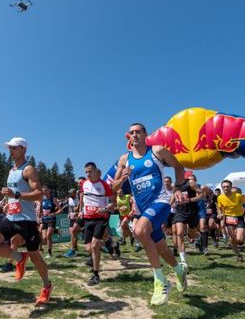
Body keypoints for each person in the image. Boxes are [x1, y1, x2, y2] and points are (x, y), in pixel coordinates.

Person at [112, 123, 188, 306]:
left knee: (139, 231)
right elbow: (114, 187)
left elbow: (179, 166)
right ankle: (179, 270)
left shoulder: (157, 151)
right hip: (142, 208)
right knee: (161, 247)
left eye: (138, 132)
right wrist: (123, 177)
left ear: (145, 134)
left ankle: (161, 282)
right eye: (131, 133)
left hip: (161, 201)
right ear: (128, 137)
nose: (135, 135)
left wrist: (178, 188)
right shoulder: (124, 159)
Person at [0, 137, 52, 306]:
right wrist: (8, 203)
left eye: (14, 148)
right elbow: (13, 194)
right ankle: (19, 258)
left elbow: (38, 194)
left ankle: (46, 286)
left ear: (23, 150)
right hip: (11, 217)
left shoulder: (28, 170)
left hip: (27, 220)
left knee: (35, 256)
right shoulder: (10, 171)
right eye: (10, 148)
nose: (11, 151)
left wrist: (16, 195)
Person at [78, 162, 115, 286]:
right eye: (86, 172)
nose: (88, 174)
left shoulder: (104, 185)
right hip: (87, 218)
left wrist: (105, 208)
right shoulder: (84, 184)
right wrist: (79, 211)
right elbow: (82, 197)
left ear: (95, 171)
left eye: (90, 171)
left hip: (101, 218)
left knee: (94, 246)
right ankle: (108, 242)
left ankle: (96, 274)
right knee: (88, 248)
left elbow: (112, 202)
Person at [171, 175, 202, 266]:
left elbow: (201, 194)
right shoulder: (175, 185)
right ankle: (183, 260)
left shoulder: (191, 183)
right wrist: (169, 204)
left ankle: (198, 236)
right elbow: (174, 194)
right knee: (179, 233)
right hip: (180, 211)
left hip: (192, 211)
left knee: (192, 234)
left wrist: (190, 200)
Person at [217, 180, 245, 262]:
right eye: (224, 187)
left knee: (239, 239)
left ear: (231, 187)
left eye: (227, 186)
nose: (226, 188)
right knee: (233, 238)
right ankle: (238, 255)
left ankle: (234, 245)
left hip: (239, 217)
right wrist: (220, 214)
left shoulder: (238, 196)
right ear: (222, 187)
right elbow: (220, 208)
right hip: (228, 218)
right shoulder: (220, 197)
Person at [39, 185, 59, 259]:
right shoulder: (42, 199)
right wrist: (39, 217)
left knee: (48, 236)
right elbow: (40, 209)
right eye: (43, 190)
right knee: (44, 238)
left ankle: (49, 253)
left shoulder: (53, 199)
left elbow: (60, 209)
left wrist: (55, 213)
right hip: (44, 220)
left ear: (49, 190)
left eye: (46, 190)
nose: (44, 192)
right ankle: (55, 230)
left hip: (51, 219)